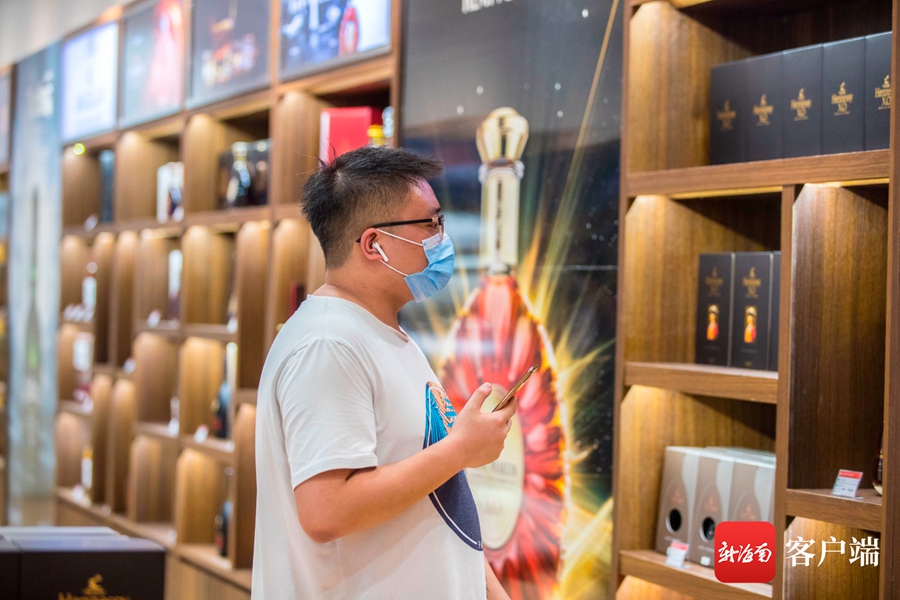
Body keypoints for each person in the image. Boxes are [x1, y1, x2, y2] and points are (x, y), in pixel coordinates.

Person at [252, 145, 516, 599]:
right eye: (430, 224)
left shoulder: (382, 334)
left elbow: (438, 505)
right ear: (374, 244)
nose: (441, 237)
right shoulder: (328, 343)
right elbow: (326, 511)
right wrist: (460, 449)